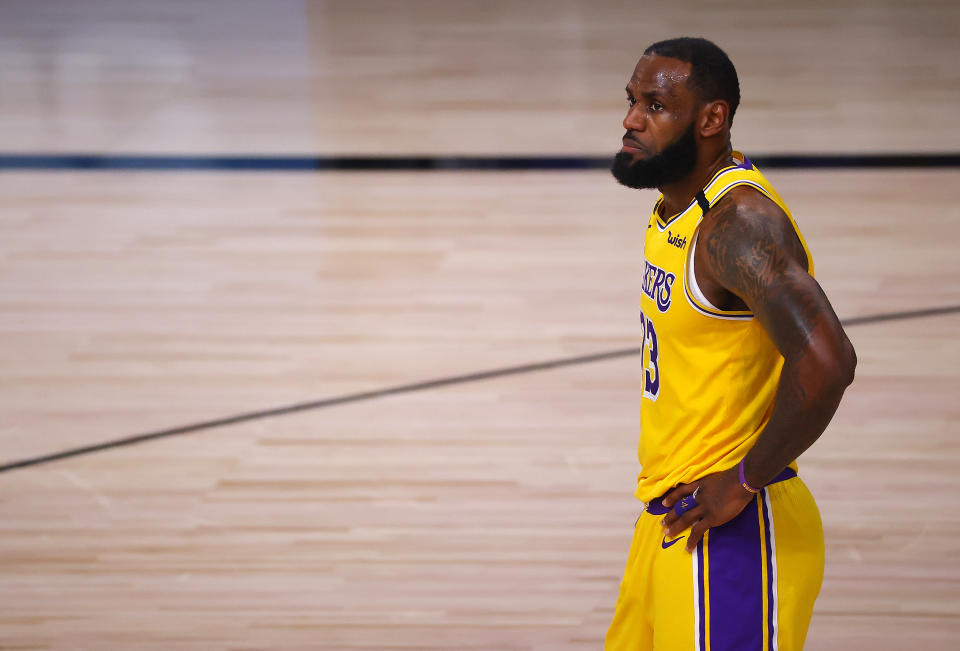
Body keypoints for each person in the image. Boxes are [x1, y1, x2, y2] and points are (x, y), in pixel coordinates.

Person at [605, 37, 856, 651]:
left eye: (656, 107)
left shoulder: (738, 226)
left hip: (733, 529)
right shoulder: (678, 207)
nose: (632, 119)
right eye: (632, 101)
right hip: (672, 518)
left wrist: (742, 479)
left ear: (711, 119)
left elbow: (828, 361)